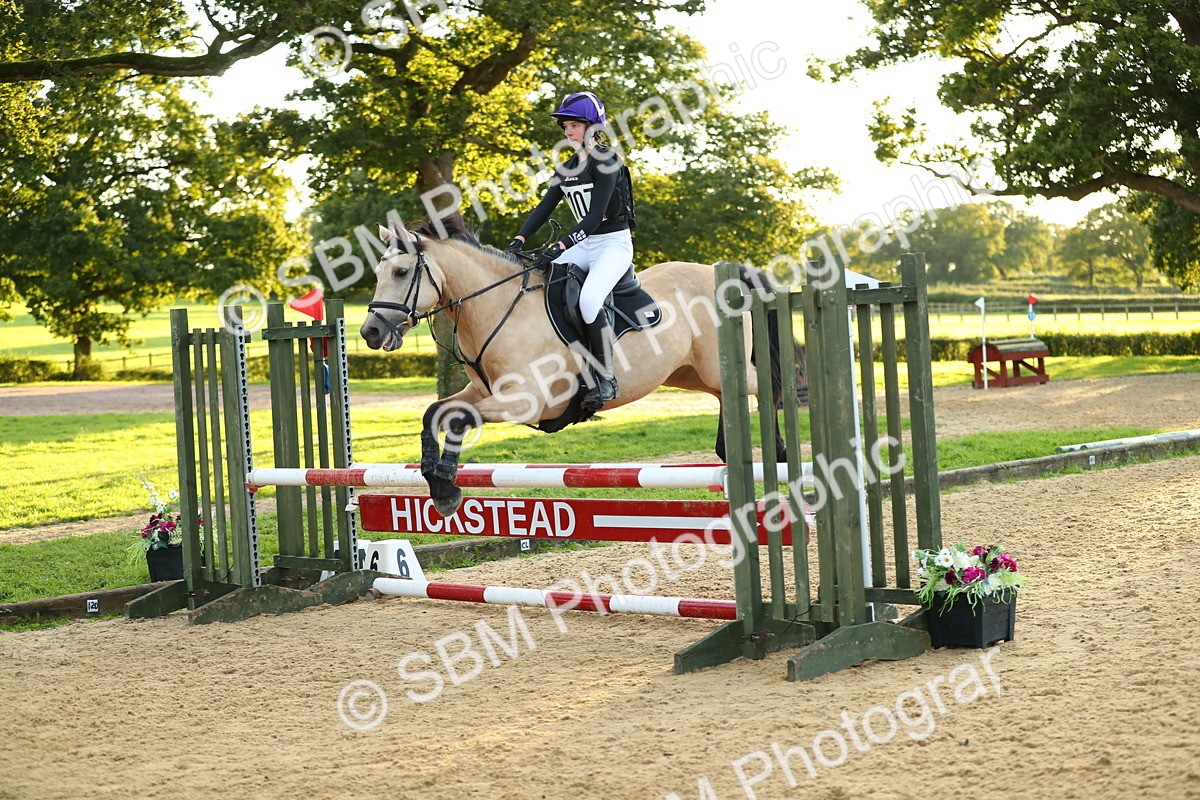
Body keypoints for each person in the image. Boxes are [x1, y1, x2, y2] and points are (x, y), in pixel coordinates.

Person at [507, 90, 636, 412]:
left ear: (593, 127)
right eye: (565, 126)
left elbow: (594, 217)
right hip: (584, 243)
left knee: (590, 300)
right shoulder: (566, 167)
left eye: (574, 125)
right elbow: (543, 208)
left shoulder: (607, 161)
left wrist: (560, 246)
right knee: (537, 280)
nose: (568, 131)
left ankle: (606, 378)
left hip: (612, 244)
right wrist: (519, 239)